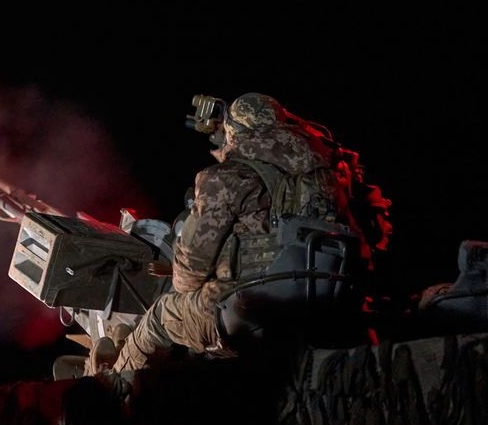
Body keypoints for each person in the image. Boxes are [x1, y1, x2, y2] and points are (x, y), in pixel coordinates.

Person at [94, 93, 362, 374]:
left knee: (157, 320)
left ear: (235, 131)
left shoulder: (225, 177)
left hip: (250, 309)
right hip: (321, 307)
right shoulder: (324, 176)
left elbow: (189, 275)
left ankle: (110, 391)